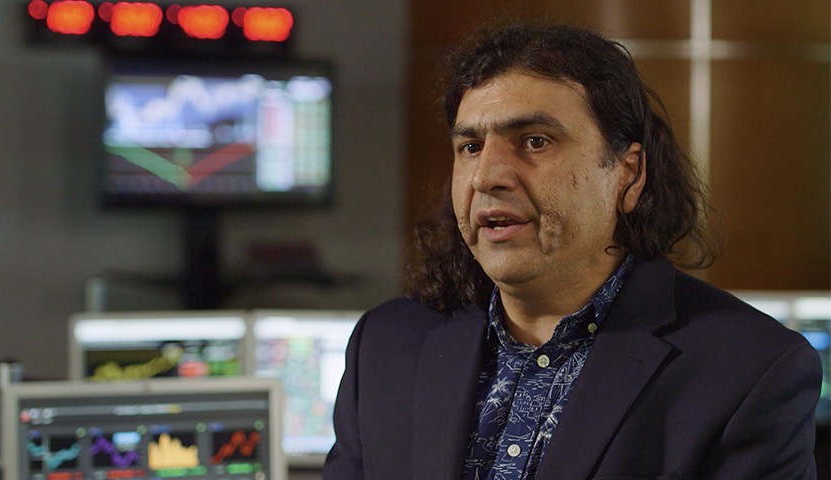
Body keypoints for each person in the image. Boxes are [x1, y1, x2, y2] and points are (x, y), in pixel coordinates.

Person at [322, 21, 822, 480]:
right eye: (470, 147)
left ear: (627, 174)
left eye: (535, 141)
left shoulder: (751, 372)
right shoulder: (385, 346)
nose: (488, 177)